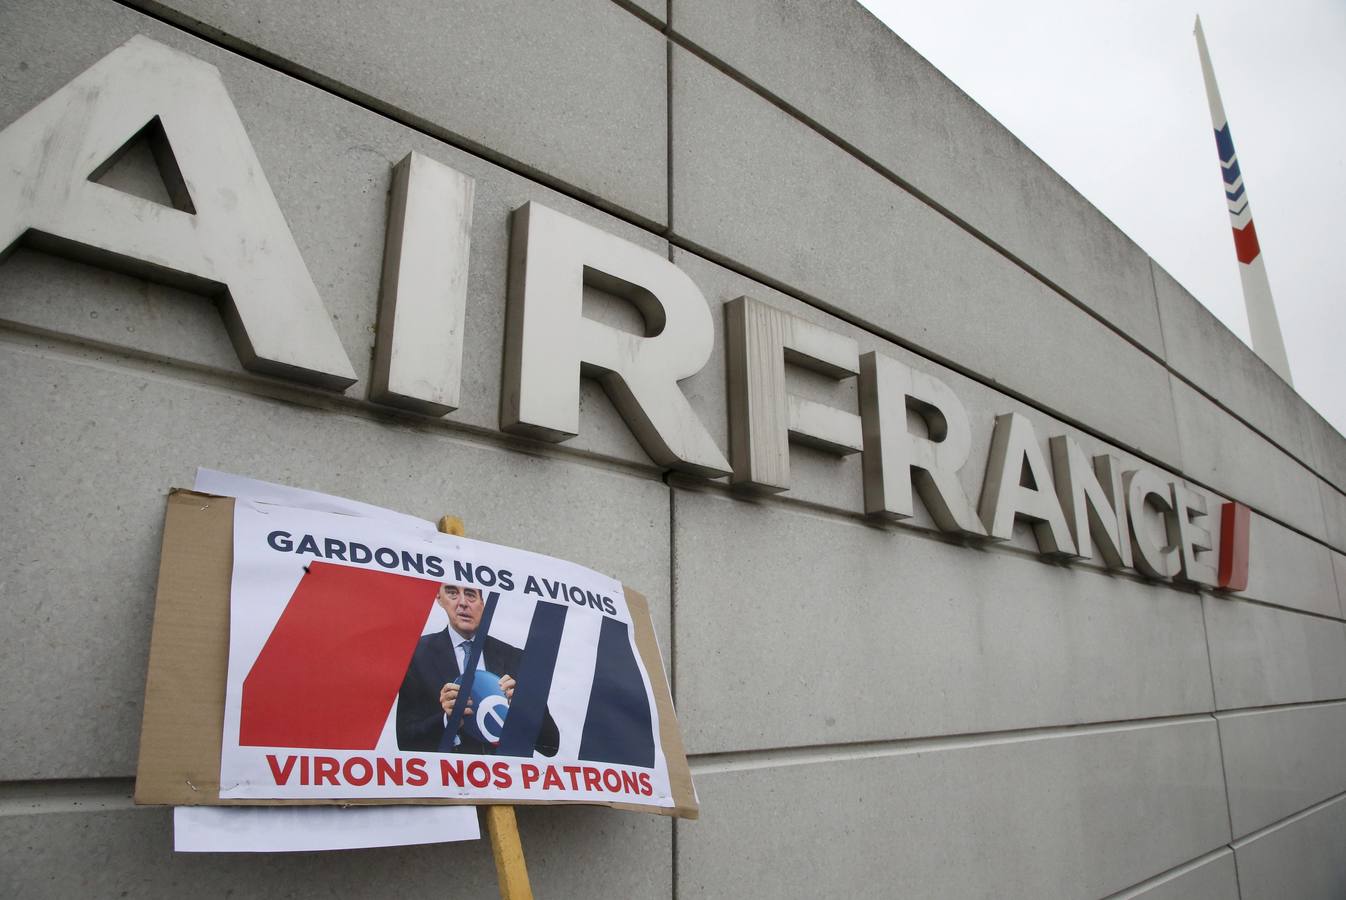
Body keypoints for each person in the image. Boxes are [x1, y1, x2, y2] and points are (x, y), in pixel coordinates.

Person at [396, 582, 559, 755]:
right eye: (452, 593)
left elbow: (550, 745)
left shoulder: (515, 657)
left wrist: (526, 708)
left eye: (470, 594)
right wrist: (446, 720)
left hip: (504, 777)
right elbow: (405, 740)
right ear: (439, 599)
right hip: (448, 778)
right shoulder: (416, 655)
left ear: (482, 602)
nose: (463, 602)